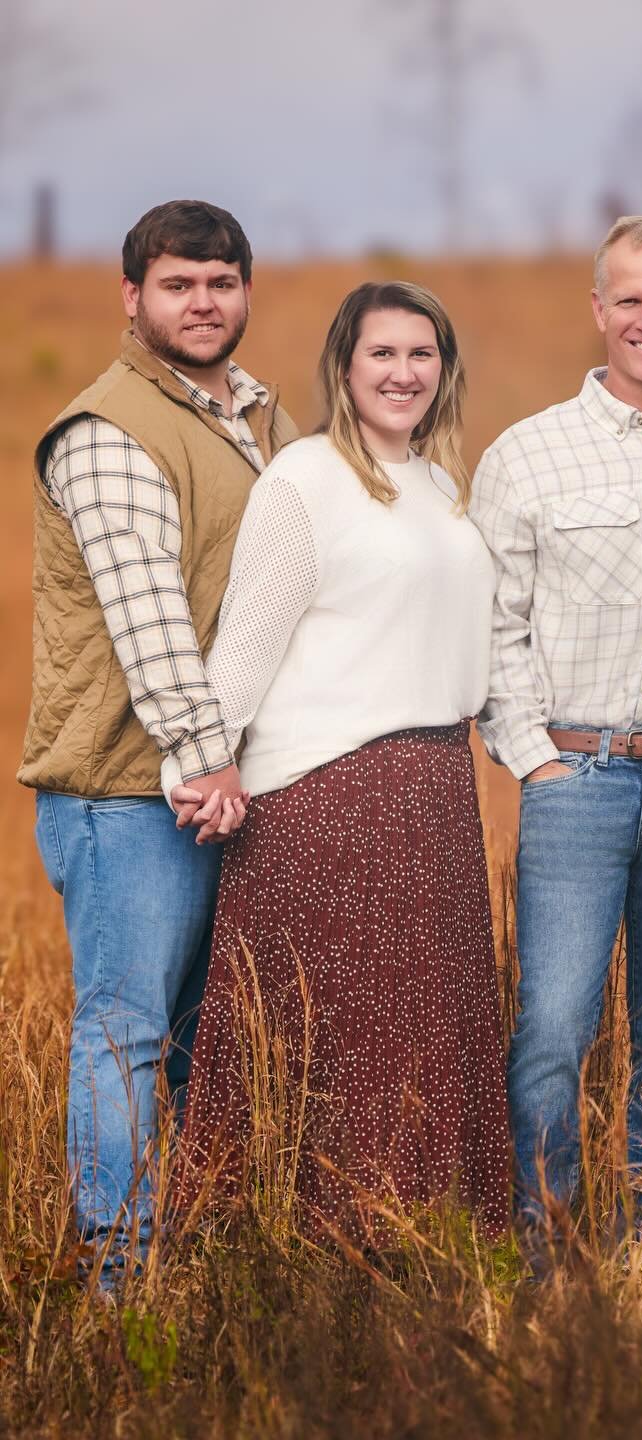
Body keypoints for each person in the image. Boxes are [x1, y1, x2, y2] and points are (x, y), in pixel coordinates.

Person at [168, 281, 509, 1239]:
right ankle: (307, 1256)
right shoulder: (305, 478)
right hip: (329, 796)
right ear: (345, 368)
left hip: (436, 790)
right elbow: (244, 645)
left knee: (424, 1036)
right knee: (345, 1042)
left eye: (421, 355)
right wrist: (203, 765)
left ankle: (425, 1247)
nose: (403, 373)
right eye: (382, 355)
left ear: (444, 370)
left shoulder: (442, 484)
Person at [20, 201, 297, 1287]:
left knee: (196, 1044)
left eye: (221, 281)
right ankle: (121, 1276)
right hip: (131, 795)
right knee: (128, 1033)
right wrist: (204, 755)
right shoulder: (108, 431)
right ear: (131, 296)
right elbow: (150, 619)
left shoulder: (254, 417)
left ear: (245, 290)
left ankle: (189, 1261)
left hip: (214, 785)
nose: (203, 302)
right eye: (178, 284)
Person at [473, 216, 642, 1233]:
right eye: (628, 299)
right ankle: (546, 1258)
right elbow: (493, 630)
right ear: (598, 311)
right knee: (553, 1028)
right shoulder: (526, 456)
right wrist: (535, 761)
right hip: (577, 781)